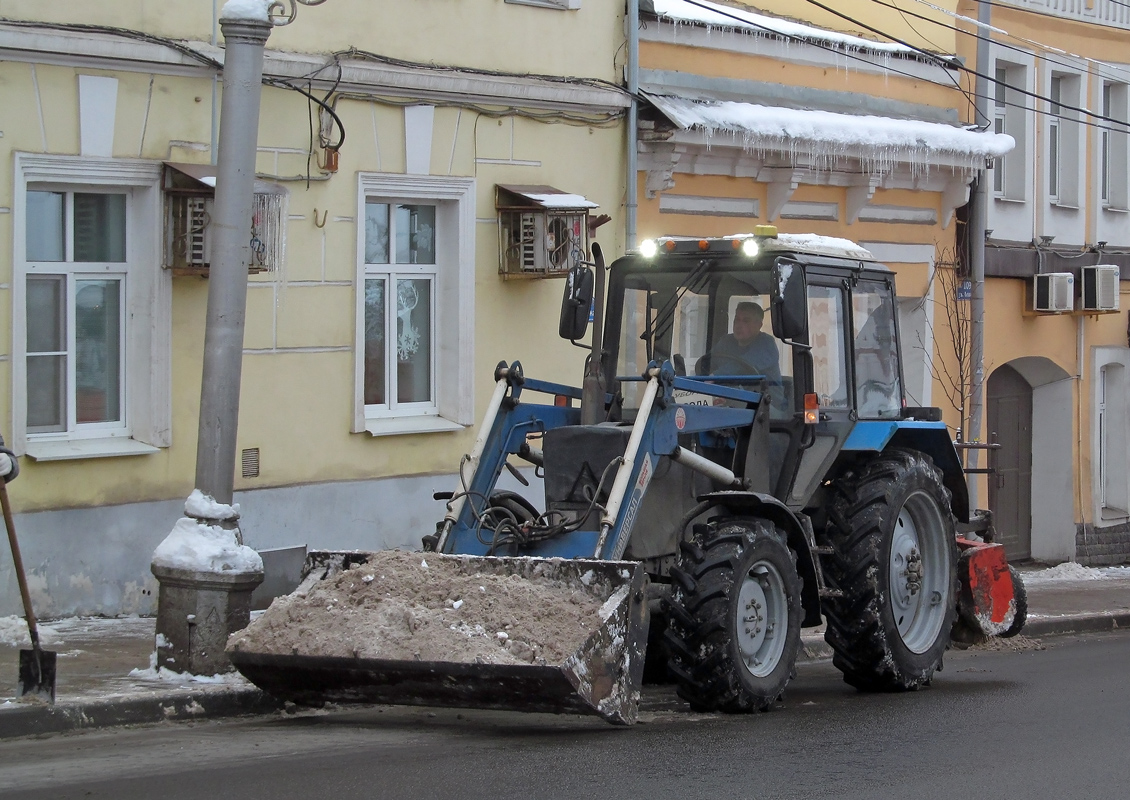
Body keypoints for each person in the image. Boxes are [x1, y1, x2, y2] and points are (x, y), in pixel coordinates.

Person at [704, 301, 781, 385]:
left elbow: (745, 365)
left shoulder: (767, 344)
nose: (739, 325)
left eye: (746, 321)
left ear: (759, 325)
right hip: (730, 395)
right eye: (737, 320)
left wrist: (716, 375)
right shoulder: (726, 341)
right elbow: (707, 362)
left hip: (764, 396)